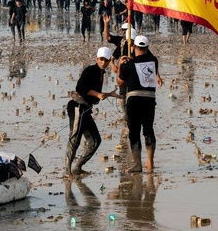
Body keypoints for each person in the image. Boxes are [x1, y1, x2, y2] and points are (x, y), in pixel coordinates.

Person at [64, 47, 118, 178]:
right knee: (75, 138)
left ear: (109, 61)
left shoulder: (101, 73)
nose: (103, 62)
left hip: (86, 109)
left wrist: (108, 94)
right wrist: (98, 94)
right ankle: (67, 171)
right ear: (96, 59)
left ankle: (77, 167)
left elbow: (94, 94)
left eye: (106, 60)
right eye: (101, 60)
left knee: (95, 140)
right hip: (78, 107)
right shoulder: (90, 70)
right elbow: (81, 88)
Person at [116, 35, 163, 173]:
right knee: (148, 130)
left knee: (134, 132)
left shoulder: (128, 64)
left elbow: (120, 82)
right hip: (149, 99)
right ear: (147, 48)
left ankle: (137, 164)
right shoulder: (154, 61)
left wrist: (120, 66)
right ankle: (150, 161)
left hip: (134, 99)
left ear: (133, 47)